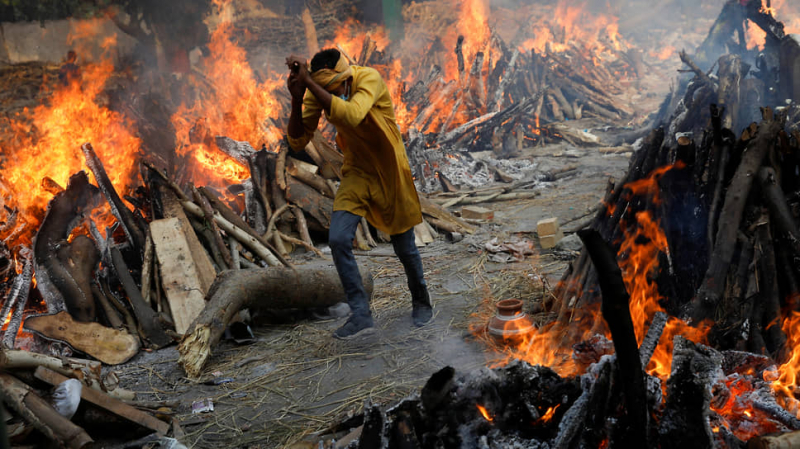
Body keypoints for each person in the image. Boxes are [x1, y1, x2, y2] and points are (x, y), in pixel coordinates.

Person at [285, 48, 433, 339]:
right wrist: (296, 97)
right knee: (339, 238)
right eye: (324, 89)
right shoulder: (319, 91)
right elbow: (299, 139)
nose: (331, 94)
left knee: (404, 247)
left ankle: (421, 301)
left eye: (334, 88)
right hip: (357, 172)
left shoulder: (369, 79)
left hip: (389, 168)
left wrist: (312, 84)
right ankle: (361, 314)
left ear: (345, 77)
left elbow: (352, 115)